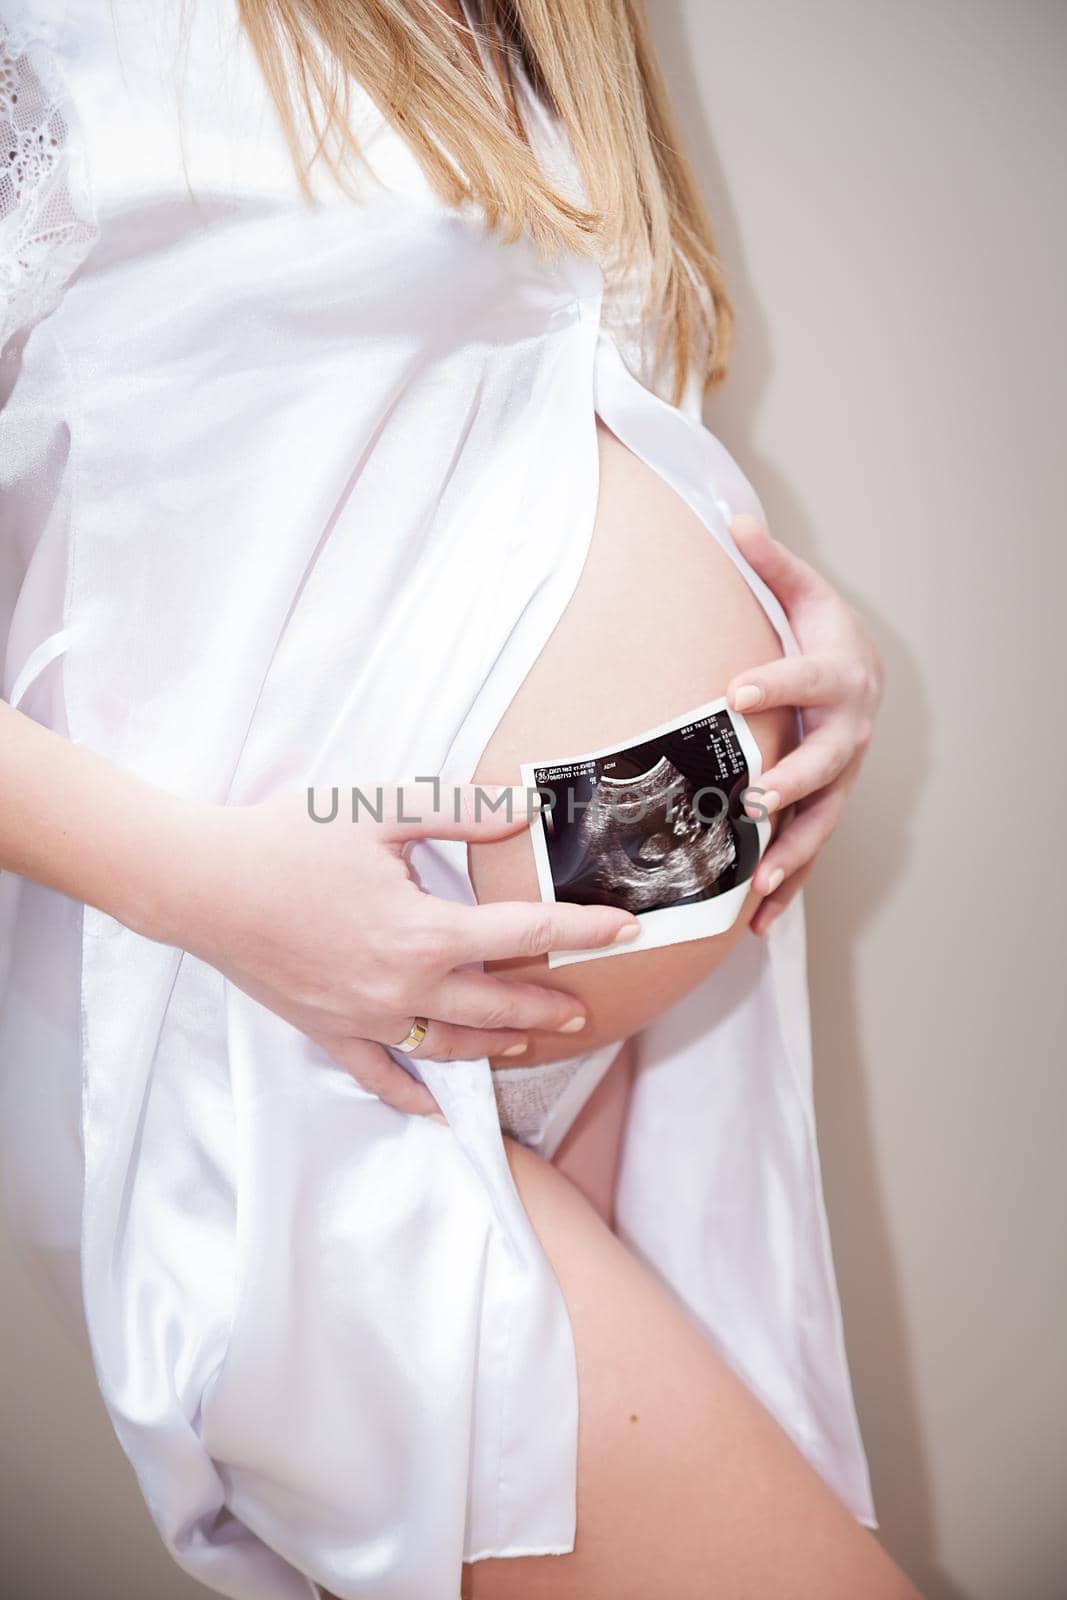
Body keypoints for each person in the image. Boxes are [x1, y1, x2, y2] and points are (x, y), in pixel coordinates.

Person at [0, 2, 916, 1596]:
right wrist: (219, 898)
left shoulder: (554, 25)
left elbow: (533, 433)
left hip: (645, 1048)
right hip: (311, 1033)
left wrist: (814, 646)